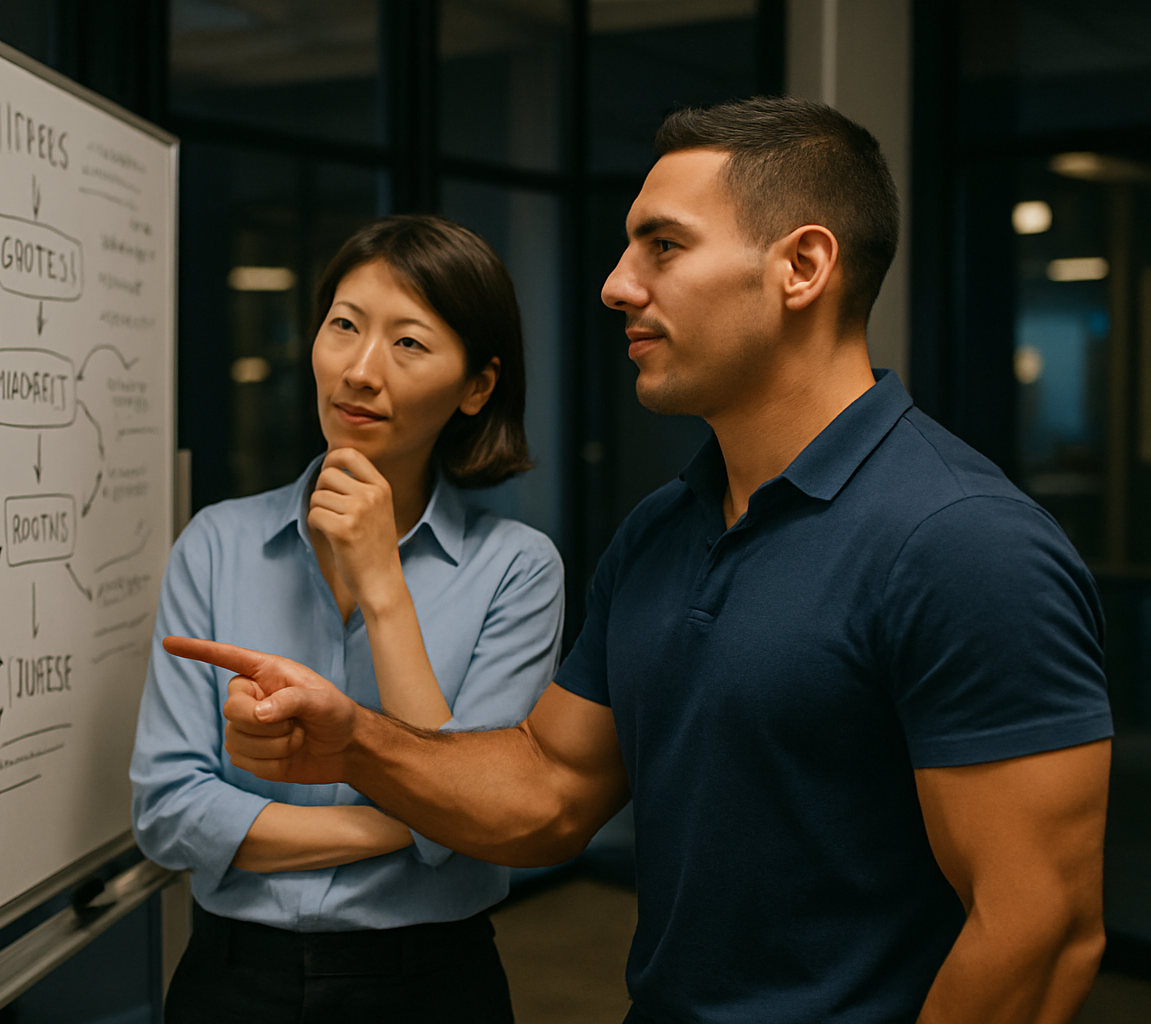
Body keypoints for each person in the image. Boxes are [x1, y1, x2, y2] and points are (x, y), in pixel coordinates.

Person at [168, 97, 1115, 1024]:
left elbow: (1039, 933)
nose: (618, 284)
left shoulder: (966, 543)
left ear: (804, 266)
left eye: (663, 245)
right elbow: (549, 791)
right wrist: (351, 740)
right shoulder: (663, 530)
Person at [131, 214, 565, 1023]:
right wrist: (407, 825)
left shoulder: (518, 567)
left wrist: (382, 581)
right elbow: (166, 812)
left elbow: (475, 811)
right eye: (344, 326)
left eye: (409, 343)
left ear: (477, 386)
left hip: (430, 982)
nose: (360, 371)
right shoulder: (218, 543)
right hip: (233, 977)